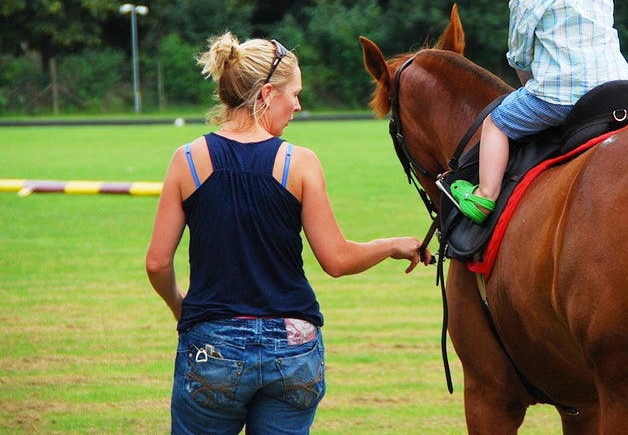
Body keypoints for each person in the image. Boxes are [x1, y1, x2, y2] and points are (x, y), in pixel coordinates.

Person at [145, 33, 429, 434]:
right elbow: (337, 259)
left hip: (212, 348)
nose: (297, 104)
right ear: (265, 94)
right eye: (293, 94)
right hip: (293, 350)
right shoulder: (300, 163)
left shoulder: (187, 160)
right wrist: (391, 245)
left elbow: (157, 263)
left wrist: (183, 309)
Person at [450, 0, 628, 223]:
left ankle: (484, 196)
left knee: (496, 123)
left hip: (560, 99)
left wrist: (529, 87)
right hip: (617, 92)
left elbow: (522, 61)